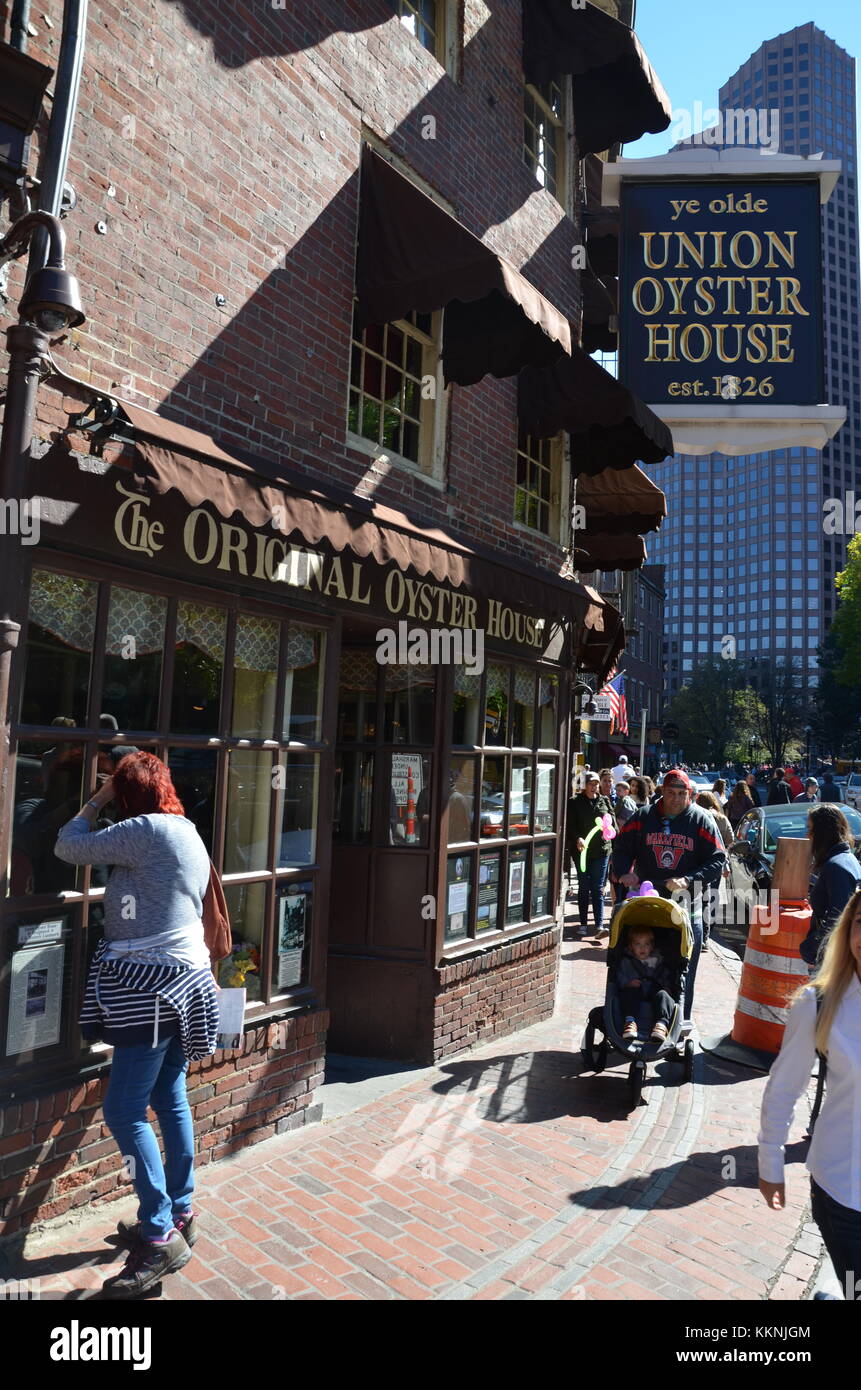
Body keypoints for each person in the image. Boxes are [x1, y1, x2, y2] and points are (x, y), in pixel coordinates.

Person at [53, 752, 220, 1299]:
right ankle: (181, 1210)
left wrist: (97, 798)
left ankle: (158, 1233)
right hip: (187, 981)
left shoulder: (143, 830)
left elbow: (67, 845)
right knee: (170, 1095)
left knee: (124, 1108)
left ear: (127, 795)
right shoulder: (185, 829)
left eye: (116, 791)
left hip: (150, 989)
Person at [758, 888, 861, 1300]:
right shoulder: (817, 1003)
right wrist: (770, 1161)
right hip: (845, 1189)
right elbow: (784, 1087)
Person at [612, 769, 726, 1025]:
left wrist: (689, 879)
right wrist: (623, 873)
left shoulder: (701, 820)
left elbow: (718, 859)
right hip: (646, 906)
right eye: (671, 793)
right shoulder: (643, 817)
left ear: (690, 795)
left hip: (686, 908)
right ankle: (630, 1017)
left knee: (682, 970)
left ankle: (678, 1023)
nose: (676, 798)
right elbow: (620, 847)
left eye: (681, 793)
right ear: (661, 792)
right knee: (633, 962)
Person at [799, 805, 861, 968]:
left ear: (822, 834)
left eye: (811, 830)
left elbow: (838, 915)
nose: (808, 835)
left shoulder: (837, 866)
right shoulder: (846, 860)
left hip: (833, 960)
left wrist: (812, 949)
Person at [565, 771, 615, 937]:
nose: (594, 787)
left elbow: (612, 823)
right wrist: (577, 838)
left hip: (601, 850)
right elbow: (570, 825)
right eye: (591, 784)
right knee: (584, 886)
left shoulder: (604, 800)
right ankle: (583, 923)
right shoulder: (574, 802)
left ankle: (599, 925)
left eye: (596, 784)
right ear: (584, 785)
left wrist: (611, 833)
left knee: (597, 887)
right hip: (582, 852)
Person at [617, 927, 675, 1043]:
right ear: (631, 946)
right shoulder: (627, 962)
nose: (642, 948)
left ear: (652, 946)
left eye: (646, 944)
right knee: (629, 993)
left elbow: (665, 976)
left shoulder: (658, 961)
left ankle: (661, 1024)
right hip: (636, 989)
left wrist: (667, 987)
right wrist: (627, 983)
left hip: (655, 991)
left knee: (664, 996)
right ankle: (630, 1022)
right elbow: (619, 976)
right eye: (638, 944)